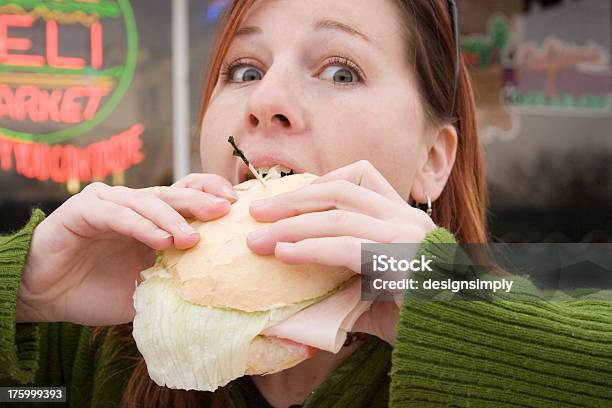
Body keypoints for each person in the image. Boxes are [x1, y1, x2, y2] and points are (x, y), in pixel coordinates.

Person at [1, 0, 611, 407]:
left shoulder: (503, 322)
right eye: (243, 69)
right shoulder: (80, 344)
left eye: (341, 71)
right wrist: (23, 292)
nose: (265, 100)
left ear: (433, 160)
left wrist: (466, 314)